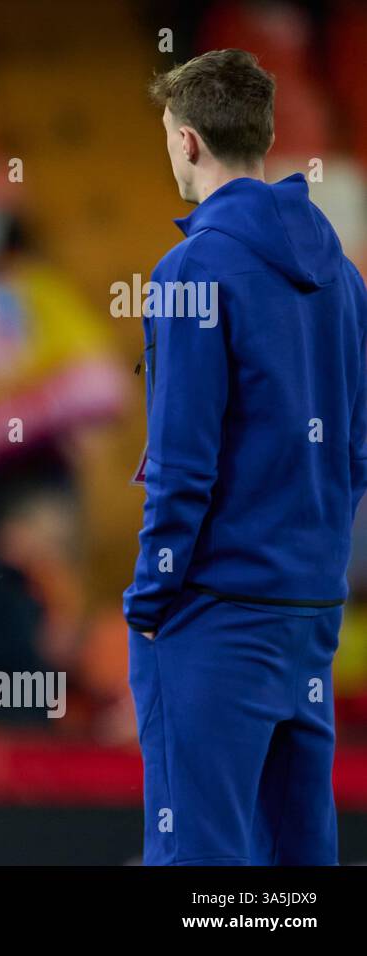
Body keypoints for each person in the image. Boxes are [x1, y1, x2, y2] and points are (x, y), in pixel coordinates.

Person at [126, 48, 367, 865]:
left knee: (197, 857)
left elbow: (182, 460)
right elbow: (357, 446)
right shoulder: (340, 272)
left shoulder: (189, 270)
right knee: (298, 860)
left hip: (213, 608)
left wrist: (151, 596)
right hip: (309, 605)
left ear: (187, 141)